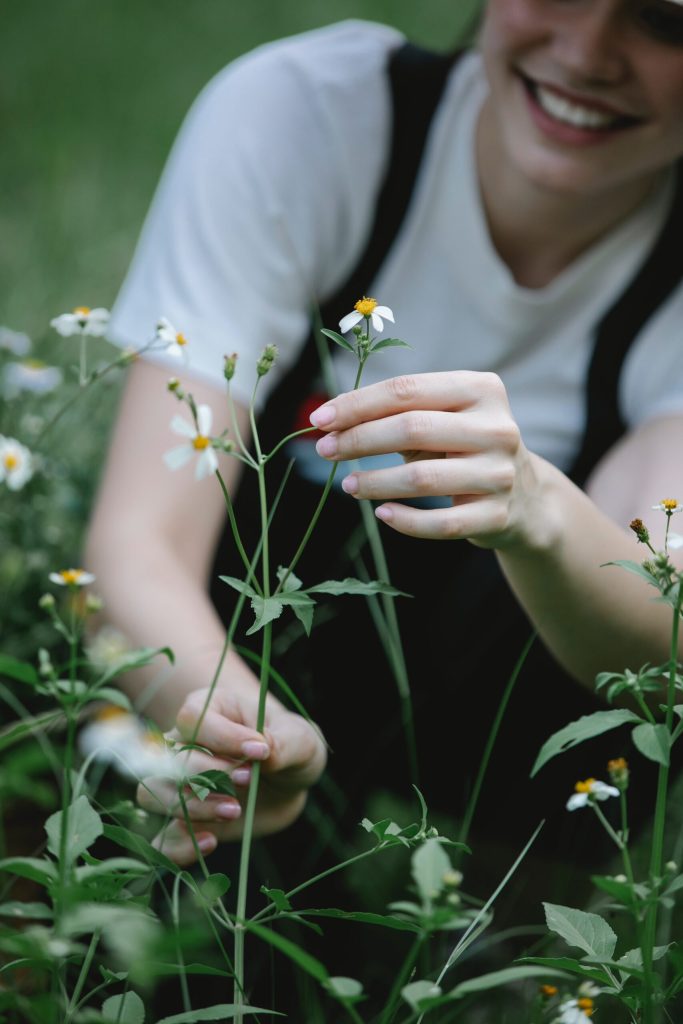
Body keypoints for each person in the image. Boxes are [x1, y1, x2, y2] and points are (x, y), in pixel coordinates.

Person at [87, 0, 683, 939]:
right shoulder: (310, 118)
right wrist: (244, 733)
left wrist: (534, 507)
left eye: (662, 21)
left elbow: (658, 649)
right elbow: (139, 542)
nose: (585, 52)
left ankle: (514, 935)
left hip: (529, 766)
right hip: (257, 660)